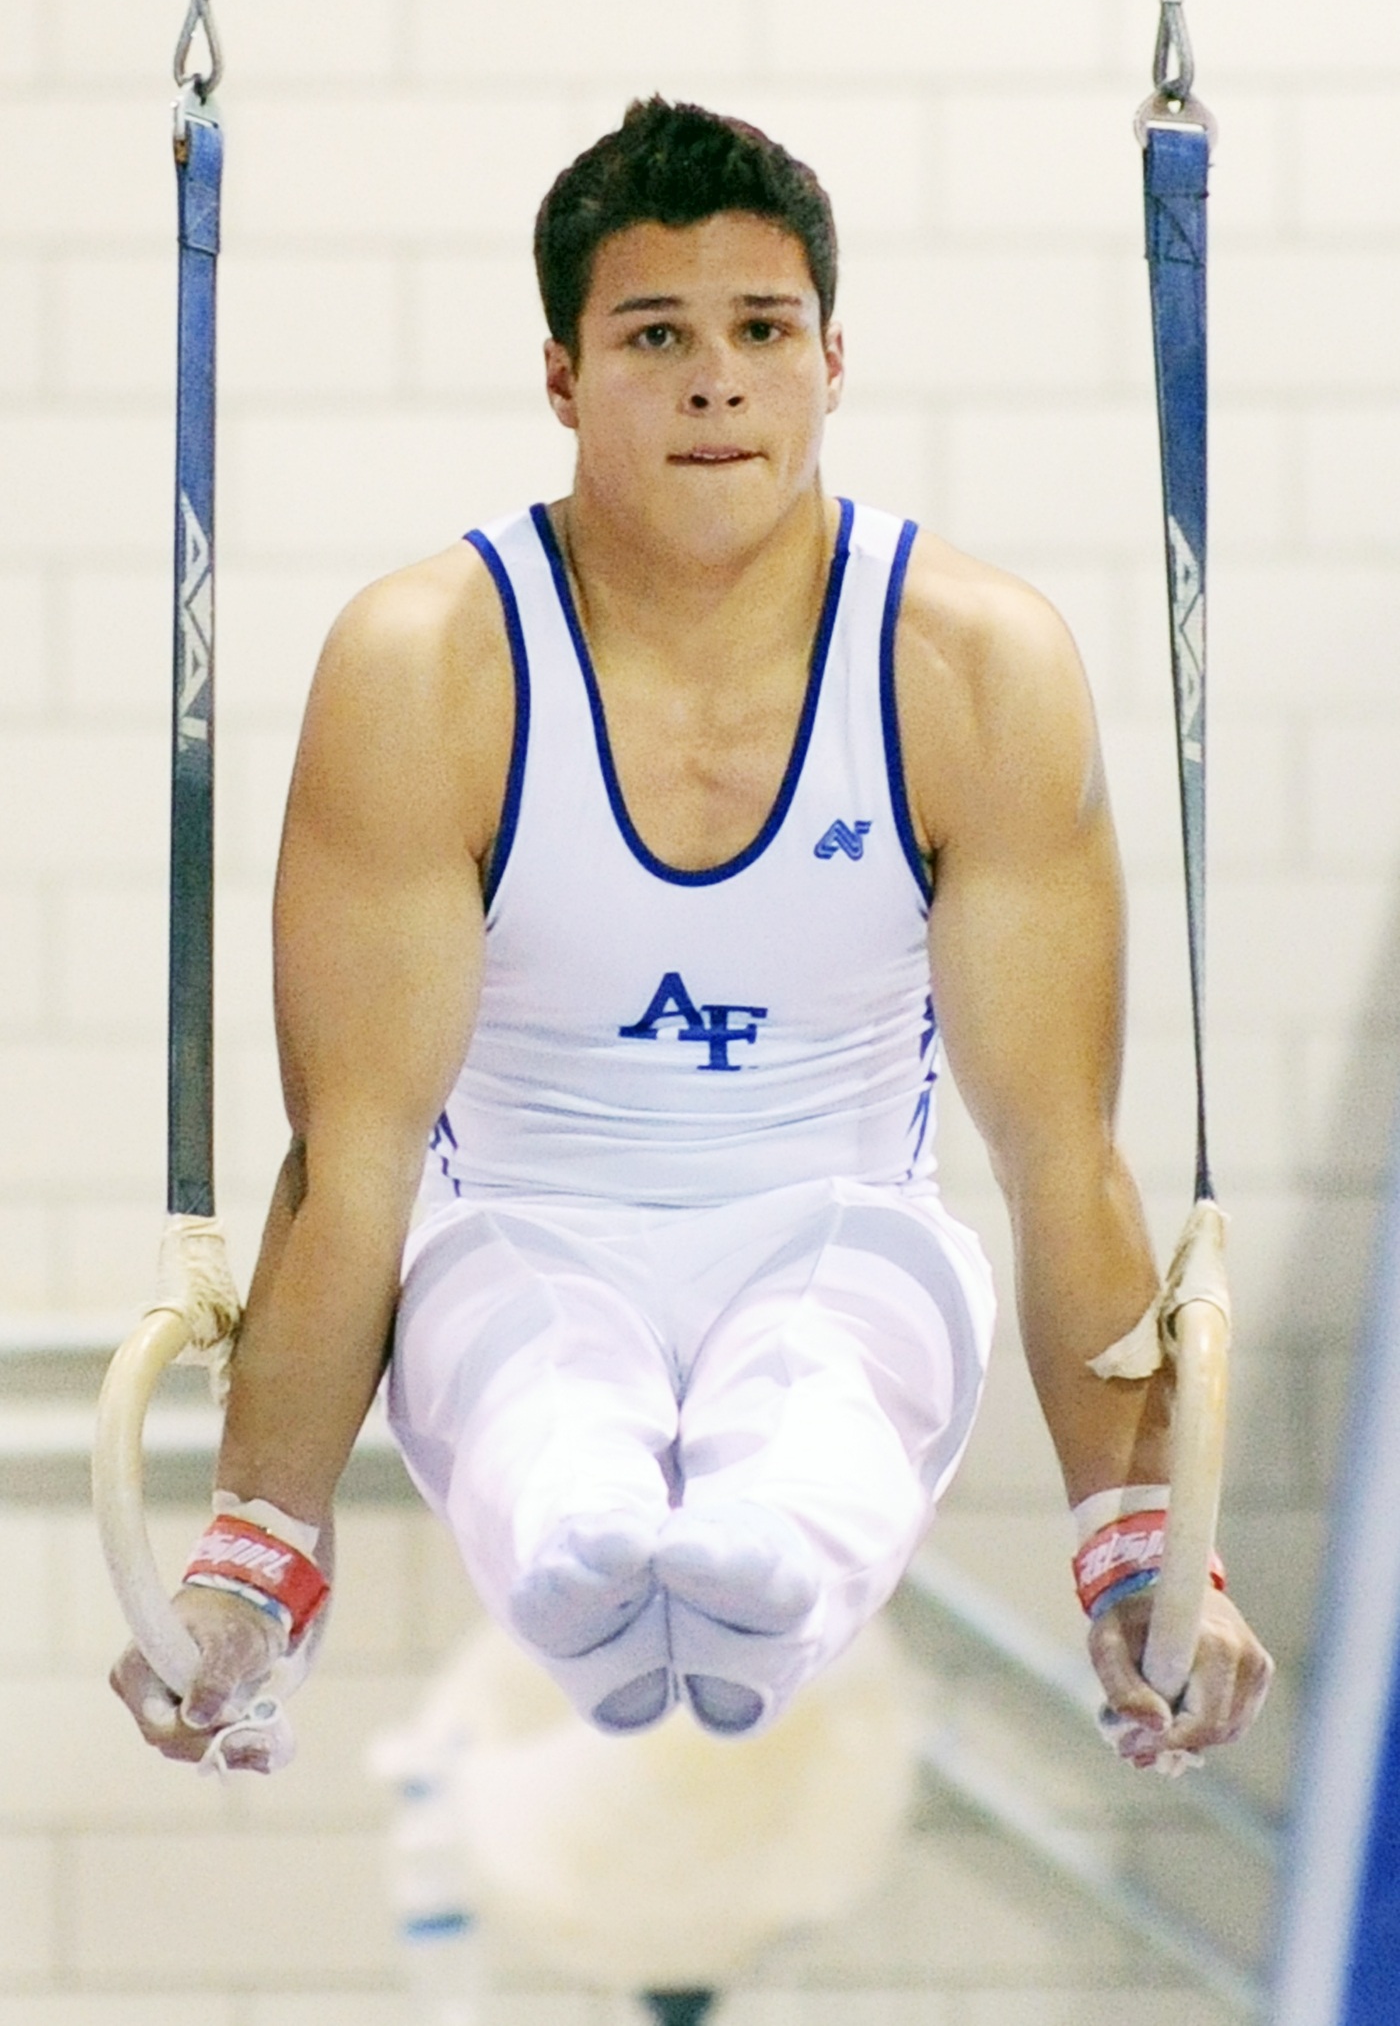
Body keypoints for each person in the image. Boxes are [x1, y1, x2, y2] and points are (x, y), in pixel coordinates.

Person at [113, 98, 1272, 1768]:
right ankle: (603, 1565)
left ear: (832, 358)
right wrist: (252, 1559)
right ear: (564, 378)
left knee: (822, 1405)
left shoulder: (972, 665)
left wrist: (1144, 1554)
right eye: (656, 334)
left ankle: (768, 1567)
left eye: (762, 328)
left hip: (841, 1226)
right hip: (523, 1231)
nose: (719, 378)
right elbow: (348, 1171)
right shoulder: (429, 667)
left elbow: (1060, 1164)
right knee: (544, 1432)